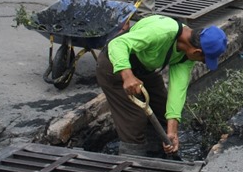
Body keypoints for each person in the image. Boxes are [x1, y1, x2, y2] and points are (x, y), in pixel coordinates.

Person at [96, 14, 228, 157]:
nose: (202, 63)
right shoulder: (161, 32)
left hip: (144, 68)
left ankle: (156, 152)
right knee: (134, 120)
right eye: (204, 60)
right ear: (197, 52)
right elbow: (116, 44)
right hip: (114, 65)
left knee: (163, 110)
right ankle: (131, 163)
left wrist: (172, 131)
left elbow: (177, 90)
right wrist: (127, 76)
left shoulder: (187, 55)